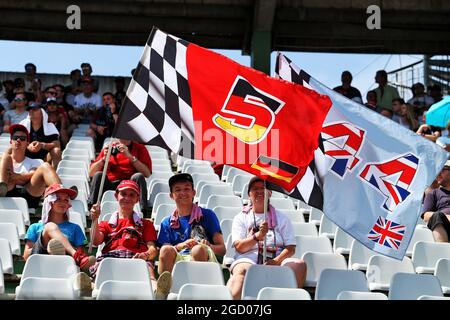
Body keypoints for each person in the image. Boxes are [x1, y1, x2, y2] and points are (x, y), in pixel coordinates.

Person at [226, 176, 307, 300]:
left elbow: (291, 248)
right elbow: (239, 247)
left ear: (269, 193)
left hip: (276, 258)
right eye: (255, 189)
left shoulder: (282, 218)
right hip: (248, 257)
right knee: (242, 271)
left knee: (299, 265)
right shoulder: (240, 218)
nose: (259, 191)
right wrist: (257, 237)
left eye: (263, 188)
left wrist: (276, 261)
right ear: (249, 195)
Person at [89, 180, 166, 297]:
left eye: (132, 195)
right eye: (123, 194)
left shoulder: (146, 224)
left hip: (137, 258)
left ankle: (157, 291)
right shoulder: (106, 224)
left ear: (137, 199)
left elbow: (153, 250)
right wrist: (94, 220)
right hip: (111, 258)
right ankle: (90, 287)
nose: (127, 198)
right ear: (116, 196)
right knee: (102, 265)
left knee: (146, 266)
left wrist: (144, 255)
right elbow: (96, 241)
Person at [157, 173, 226, 298]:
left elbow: (222, 249)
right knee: (166, 249)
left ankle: (197, 295)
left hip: (203, 258)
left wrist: (208, 246)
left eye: (187, 189)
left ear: (194, 192)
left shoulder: (208, 215)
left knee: (198, 249)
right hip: (178, 260)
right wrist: (181, 246)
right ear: (171, 195)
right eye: (177, 190)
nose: (183, 193)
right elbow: (164, 252)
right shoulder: (166, 222)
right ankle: (164, 293)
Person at [23, 183, 95, 271]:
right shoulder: (34, 227)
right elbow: (26, 256)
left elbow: (81, 254)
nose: (63, 202)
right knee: (50, 226)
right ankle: (72, 253)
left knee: (56, 238)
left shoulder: (75, 228)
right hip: (41, 262)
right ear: (49, 202)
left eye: (66, 200)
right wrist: (47, 245)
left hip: (65, 265)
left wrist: (62, 248)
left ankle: (60, 251)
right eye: (58, 199)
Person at [0, 124, 62, 207]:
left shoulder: (35, 161)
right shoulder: (4, 159)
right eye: (15, 138)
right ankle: (1, 187)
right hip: (8, 192)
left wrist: (17, 176)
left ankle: (62, 193)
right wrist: (17, 178)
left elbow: (33, 174)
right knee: (5, 157)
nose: (18, 140)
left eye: (22, 139)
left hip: (29, 196)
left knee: (46, 166)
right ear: (11, 142)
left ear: (27, 143)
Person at [88, 138, 152, 214]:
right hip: (111, 183)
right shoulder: (110, 148)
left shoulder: (140, 148)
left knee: (139, 176)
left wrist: (130, 157)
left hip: (130, 185)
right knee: (98, 175)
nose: (122, 138)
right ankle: (92, 209)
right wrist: (103, 159)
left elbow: (147, 173)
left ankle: (143, 211)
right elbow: (91, 173)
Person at [20, 102, 61, 168]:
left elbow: (57, 144)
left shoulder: (50, 126)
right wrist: (28, 147)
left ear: (42, 112)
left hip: (44, 159)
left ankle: (54, 175)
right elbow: (15, 142)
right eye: (29, 109)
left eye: (34, 109)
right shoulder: (22, 125)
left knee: (56, 151)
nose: (31, 111)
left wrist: (42, 145)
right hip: (25, 157)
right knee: (11, 149)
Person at [421, 160, 450, 242]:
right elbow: (426, 215)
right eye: (437, 171)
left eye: (442, 169)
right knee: (437, 216)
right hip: (446, 227)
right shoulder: (434, 193)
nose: (438, 174)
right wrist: (446, 217)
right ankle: (443, 252)